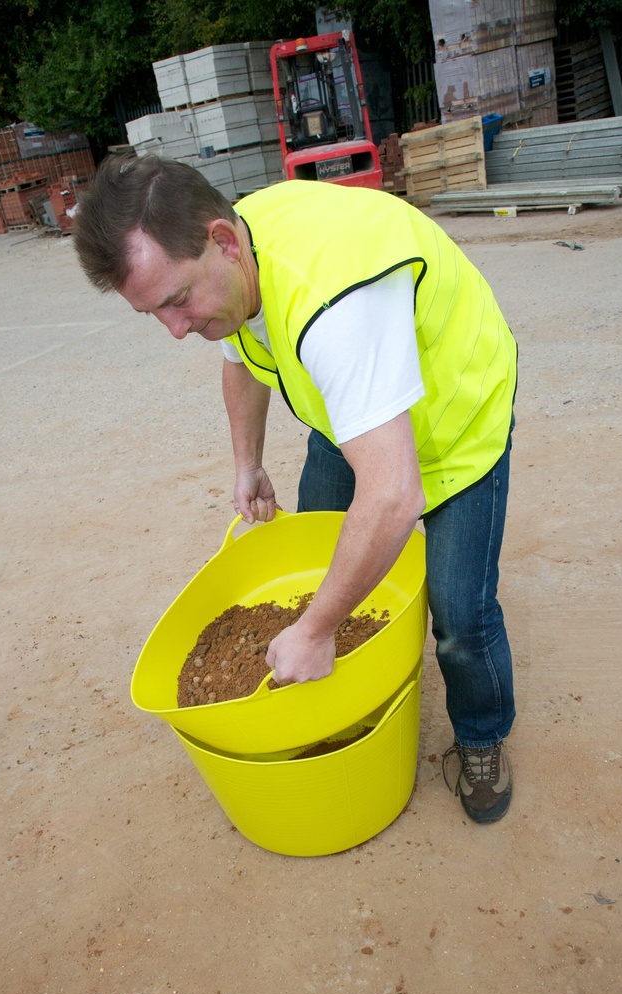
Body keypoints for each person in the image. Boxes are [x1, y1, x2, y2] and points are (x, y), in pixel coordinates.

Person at [73, 154, 517, 824]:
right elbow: (241, 361)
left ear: (223, 240)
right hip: (357, 413)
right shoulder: (231, 270)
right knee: (324, 546)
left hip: (456, 419)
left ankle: (480, 737)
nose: (174, 329)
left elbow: (393, 493)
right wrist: (246, 461)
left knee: (458, 612)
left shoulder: (334, 306)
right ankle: (335, 681)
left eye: (175, 302)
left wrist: (315, 627)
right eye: (152, 313)